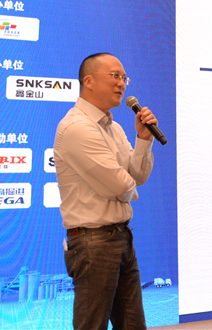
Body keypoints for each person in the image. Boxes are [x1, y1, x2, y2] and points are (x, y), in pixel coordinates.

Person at [54, 53, 159, 330]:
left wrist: (144, 139)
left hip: (122, 237)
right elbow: (120, 186)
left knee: (133, 326)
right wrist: (128, 186)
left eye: (124, 78)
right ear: (88, 81)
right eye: (114, 76)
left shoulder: (115, 128)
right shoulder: (77, 127)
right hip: (93, 243)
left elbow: (137, 177)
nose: (121, 83)